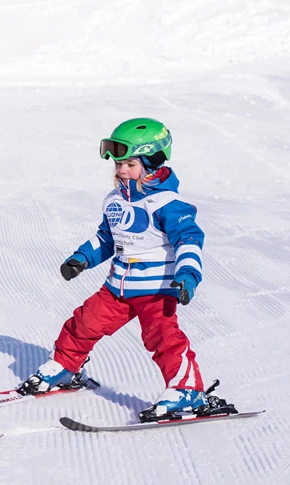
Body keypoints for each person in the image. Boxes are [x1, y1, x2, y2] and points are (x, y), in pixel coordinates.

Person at [20, 118, 213, 421]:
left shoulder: (167, 203)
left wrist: (188, 275)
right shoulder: (115, 200)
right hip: (118, 286)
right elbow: (107, 238)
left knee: (162, 337)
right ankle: (65, 367)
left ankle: (187, 390)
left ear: (151, 162)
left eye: (130, 164)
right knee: (84, 322)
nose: (121, 170)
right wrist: (81, 259)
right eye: (118, 163)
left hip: (157, 288)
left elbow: (189, 240)